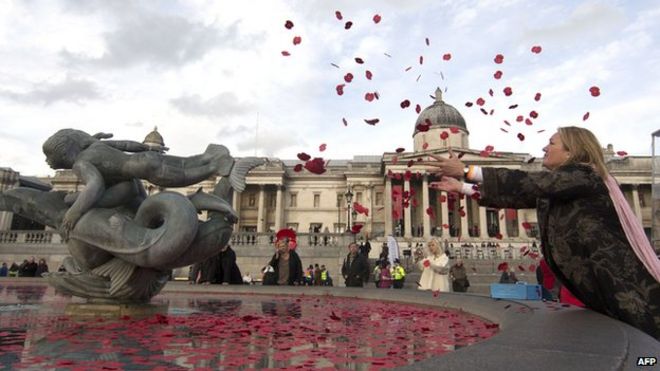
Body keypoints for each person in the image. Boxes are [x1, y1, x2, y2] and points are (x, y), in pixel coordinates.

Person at [427, 126, 660, 339]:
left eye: (551, 143)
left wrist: (467, 170)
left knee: (645, 347)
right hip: (598, 283)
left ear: (572, 152)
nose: (544, 148)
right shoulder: (562, 185)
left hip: (620, 283)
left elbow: (531, 183)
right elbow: (521, 195)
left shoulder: (584, 175)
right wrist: (462, 187)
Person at [42, 129, 237, 239]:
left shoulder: (81, 163)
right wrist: (144, 148)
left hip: (141, 172)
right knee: (184, 165)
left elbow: (94, 186)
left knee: (183, 175)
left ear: (65, 154)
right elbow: (125, 145)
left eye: (49, 157)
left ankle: (214, 165)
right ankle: (209, 157)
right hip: (139, 168)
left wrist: (73, 213)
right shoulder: (95, 145)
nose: (47, 162)